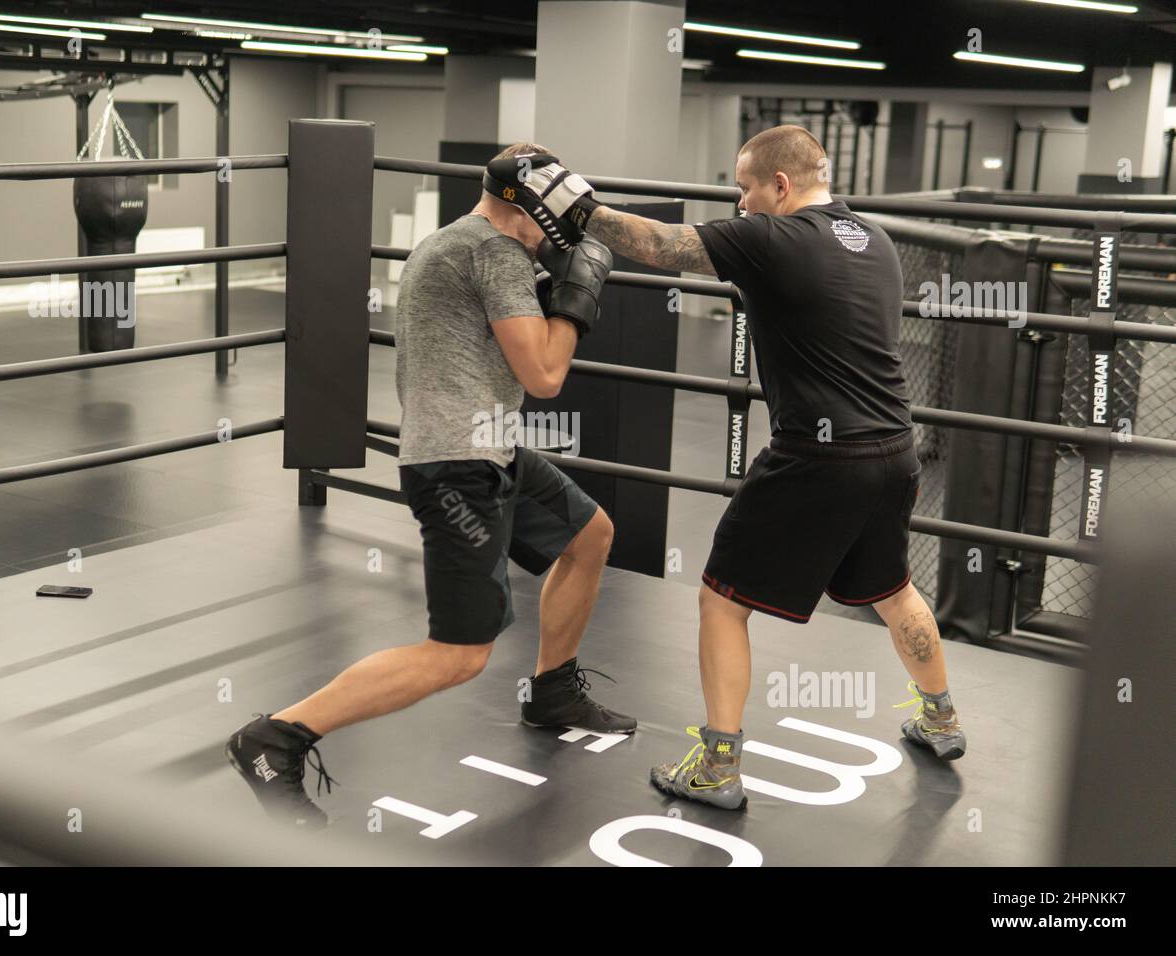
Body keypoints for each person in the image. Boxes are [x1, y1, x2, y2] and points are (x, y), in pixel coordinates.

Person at [490, 125, 966, 812]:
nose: (740, 203)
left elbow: (660, 244)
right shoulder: (876, 242)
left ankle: (717, 767)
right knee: (893, 589)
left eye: (745, 189)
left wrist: (571, 203)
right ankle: (941, 717)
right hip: (893, 448)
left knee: (721, 598)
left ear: (779, 185)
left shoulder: (771, 238)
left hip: (815, 457)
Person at [227, 142, 635, 827]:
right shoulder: (497, 253)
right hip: (459, 466)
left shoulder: (453, 241)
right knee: (459, 656)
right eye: (554, 214)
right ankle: (274, 739)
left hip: (486, 445)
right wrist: (576, 300)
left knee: (590, 534)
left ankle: (553, 690)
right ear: (523, 205)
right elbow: (544, 377)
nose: (561, 230)